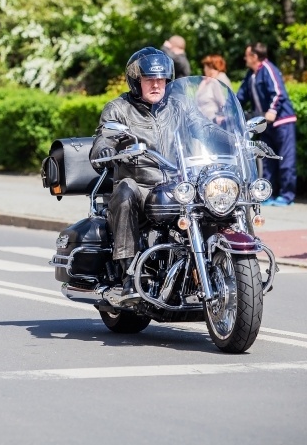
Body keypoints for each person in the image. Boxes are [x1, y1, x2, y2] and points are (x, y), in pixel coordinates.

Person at [90, 47, 227, 298]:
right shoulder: (119, 109)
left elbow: (205, 129)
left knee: (213, 198)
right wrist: (103, 149)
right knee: (124, 191)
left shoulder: (179, 107)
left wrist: (238, 141)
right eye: (149, 79)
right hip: (140, 185)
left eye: (161, 79)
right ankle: (129, 272)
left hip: (177, 185)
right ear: (136, 81)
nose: (156, 84)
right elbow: (105, 136)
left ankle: (212, 265)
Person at [236, 42, 297, 206]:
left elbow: (278, 92)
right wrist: (229, 109)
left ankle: (287, 195)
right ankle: (268, 194)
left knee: (286, 159)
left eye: (247, 55)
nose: (244, 58)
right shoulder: (252, 74)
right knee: (267, 159)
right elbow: (241, 96)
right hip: (266, 123)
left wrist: (273, 110)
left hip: (281, 120)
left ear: (254, 56)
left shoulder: (268, 69)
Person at [197, 54, 232, 124]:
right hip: (202, 122)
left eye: (206, 67)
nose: (204, 69)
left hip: (215, 123)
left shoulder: (220, 79)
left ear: (211, 67)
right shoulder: (205, 81)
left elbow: (224, 103)